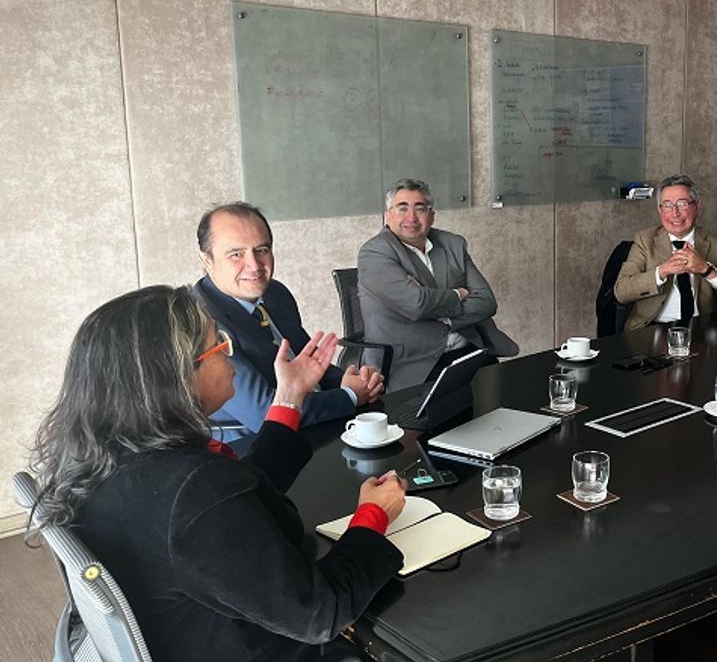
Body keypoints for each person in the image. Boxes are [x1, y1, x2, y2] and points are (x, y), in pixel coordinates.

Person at [29, 285, 408, 661]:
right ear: (177, 377)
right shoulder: (193, 492)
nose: (231, 357)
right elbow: (318, 613)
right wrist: (372, 517)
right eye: (219, 346)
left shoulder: (106, 459)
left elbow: (230, 506)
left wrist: (289, 397)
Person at [193, 202, 383, 435]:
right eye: (236, 254)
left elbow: (306, 361)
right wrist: (349, 396)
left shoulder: (276, 293)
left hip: (308, 427)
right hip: (250, 443)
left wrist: (353, 380)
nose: (254, 265)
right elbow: (263, 413)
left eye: (262, 250)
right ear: (207, 260)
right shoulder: (200, 322)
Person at [358, 179, 518, 391]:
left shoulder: (453, 244)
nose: (411, 217)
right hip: (413, 363)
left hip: (469, 351)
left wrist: (436, 308)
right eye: (402, 208)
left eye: (420, 208)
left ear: (431, 216)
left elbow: (487, 302)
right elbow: (417, 304)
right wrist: (457, 294)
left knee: (514, 398)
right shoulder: (375, 252)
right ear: (388, 216)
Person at [614, 174, 717, 330]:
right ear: (660, 209)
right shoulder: (645, 240)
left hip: (701, 330)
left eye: (682, 204)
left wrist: (706, 269)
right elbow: (621, 292)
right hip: (652, 330)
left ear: (697, 206)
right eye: (667, 205)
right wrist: (662, 271)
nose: (675, 213)